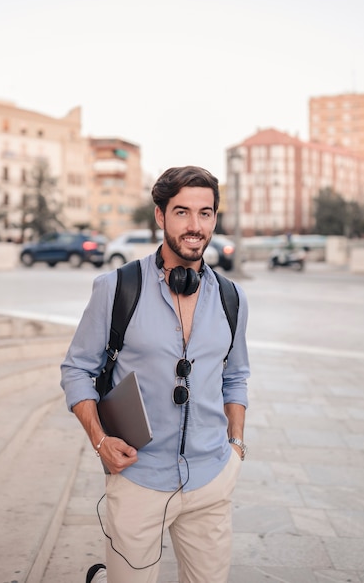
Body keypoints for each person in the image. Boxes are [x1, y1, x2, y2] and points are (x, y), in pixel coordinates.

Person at [61, 166, 250, 583]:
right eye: (182, 212)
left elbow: (235, 377)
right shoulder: (116, 288)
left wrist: (235, 448)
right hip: (137, 479)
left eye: (205, 213)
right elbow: (76, 370)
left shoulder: (233, 298)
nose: (194, 225)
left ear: (215, 218)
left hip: (210, 482)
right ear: (160, 215)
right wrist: (99, 440)